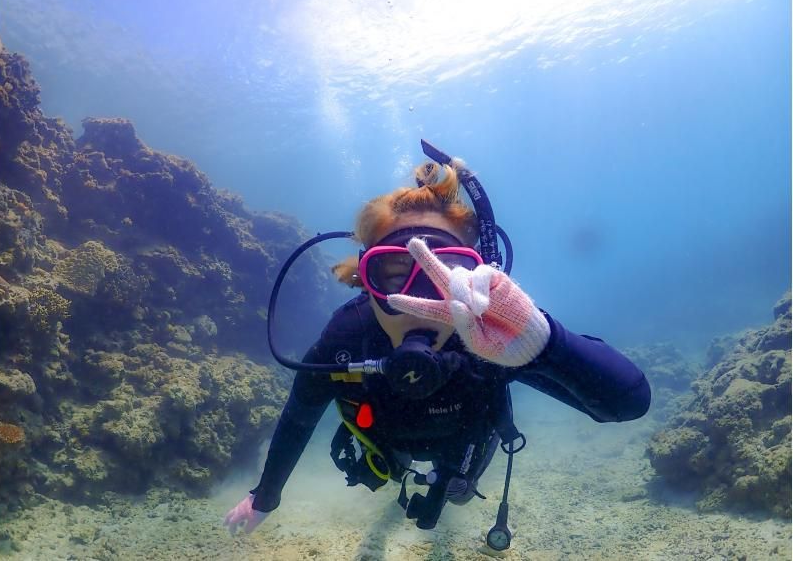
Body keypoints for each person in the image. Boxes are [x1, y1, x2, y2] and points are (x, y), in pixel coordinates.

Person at [224, 148, 651, 543]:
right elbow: (298, 420)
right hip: (386, 449)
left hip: (462, 449)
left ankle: (449, 483)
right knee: (386, 471)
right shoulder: (347, 339)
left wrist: (544, 343)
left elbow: (627, 402)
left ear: (478, 275)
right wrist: (264, 498)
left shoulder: (493, 336)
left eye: (446, 272)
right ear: (365, 280)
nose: (423, 303)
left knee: (459, 490)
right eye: (393, 272)